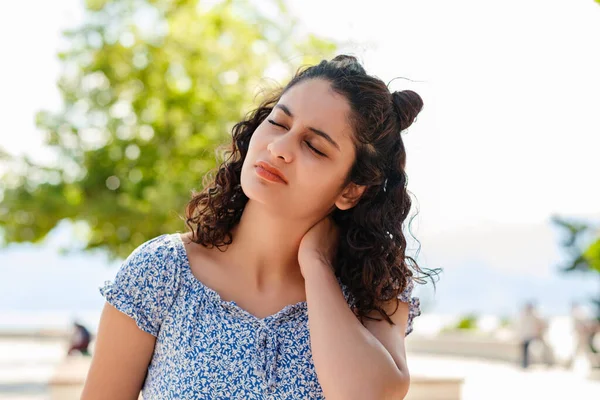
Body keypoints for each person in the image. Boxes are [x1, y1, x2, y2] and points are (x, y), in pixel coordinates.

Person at [82, 55, 432, 399]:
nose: (279, 148)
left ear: (351, 190)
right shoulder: (162, 272)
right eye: (279, 123)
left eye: (313, 146)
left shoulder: (372, 291)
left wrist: (317, 265)